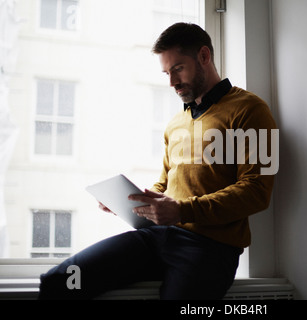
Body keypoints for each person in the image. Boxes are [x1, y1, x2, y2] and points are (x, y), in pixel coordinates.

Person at [38, 22, 277, 300]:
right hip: (156, 238)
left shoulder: (252, 110)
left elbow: (257, 192)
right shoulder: (175, 123)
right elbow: (165, 186)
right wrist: (132, 202)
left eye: (178, 69)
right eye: (166, 72)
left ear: (204, 56)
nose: (172, 82)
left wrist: (182, 211)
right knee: (61, 281)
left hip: (210, 249)